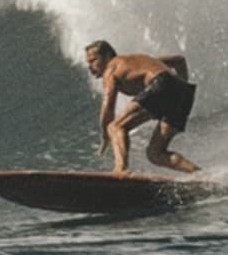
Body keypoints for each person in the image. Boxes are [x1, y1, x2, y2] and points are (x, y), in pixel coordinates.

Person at [84, 40, 201, 176]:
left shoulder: (111, 68)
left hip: (161, 84)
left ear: (107, 56)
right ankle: (201, 175)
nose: (90, 67)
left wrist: (105, 134)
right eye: (88, 63)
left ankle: (121, 170)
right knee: (155, 153)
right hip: (183, 93)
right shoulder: (141, 61)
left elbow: (108, 106)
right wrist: (181, 86)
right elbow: (179, 61)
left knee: (115, 127)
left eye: (93, 60)